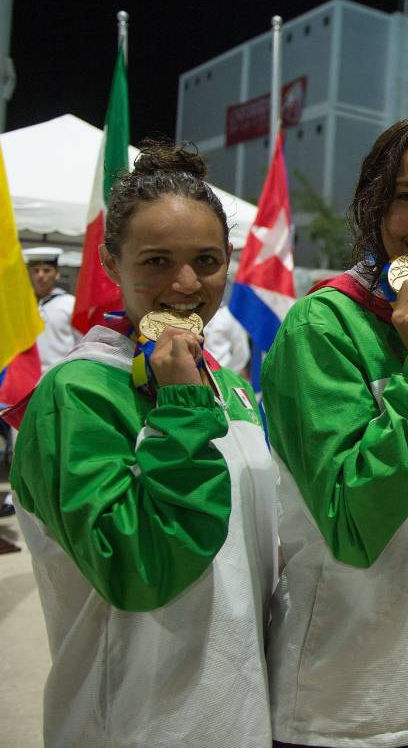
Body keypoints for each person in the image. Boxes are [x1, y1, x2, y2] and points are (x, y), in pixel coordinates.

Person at [7, 142, 277, 747]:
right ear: (111, 262)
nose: (185, 284)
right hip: (133, 722)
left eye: (206, 260)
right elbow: (137, 571)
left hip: (238, 713)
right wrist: (178, 408)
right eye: (156, 261)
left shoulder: (228, 387)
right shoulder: (78, 393)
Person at [261, 116, 408, 748]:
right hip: (348, 702)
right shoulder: (323, 326)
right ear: (373, 204)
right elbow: (352, 523)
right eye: (406, 197)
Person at [23, 246, 82, 373]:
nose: (40, 275)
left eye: (46, 270)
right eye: (35, 270)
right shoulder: (22, 305)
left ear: (57, 274)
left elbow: (82, 343)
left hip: (59, 375)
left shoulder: (70, 304)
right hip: (26, 376)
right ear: (29, 273)